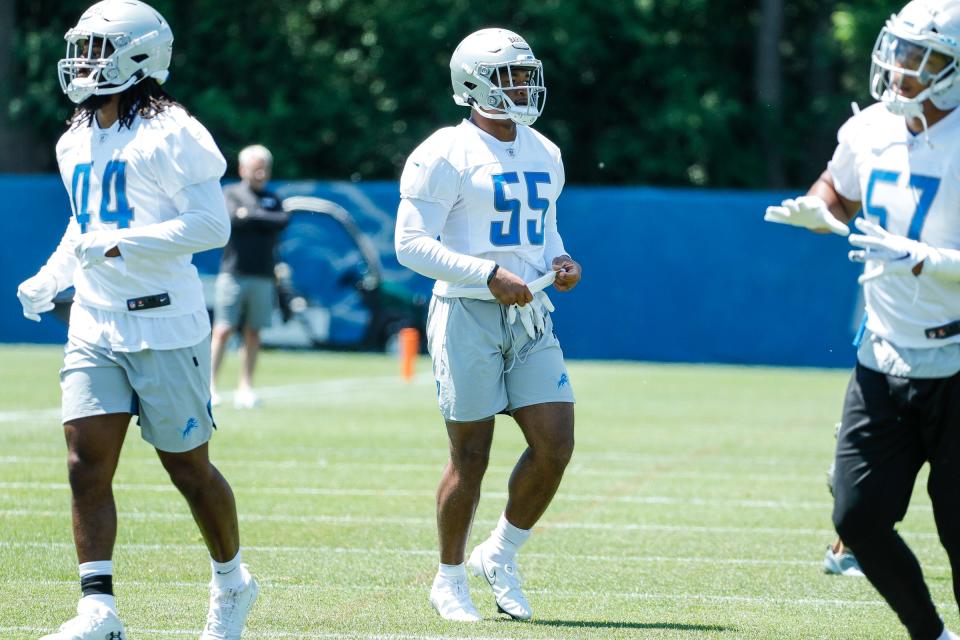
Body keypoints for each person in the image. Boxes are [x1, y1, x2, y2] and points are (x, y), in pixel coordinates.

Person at [15, 2, 258, 638]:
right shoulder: (76, 136)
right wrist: (52, 275)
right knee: (83, 463)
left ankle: (232, 581)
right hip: (95, 321)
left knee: (188, 469)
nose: (83, 63)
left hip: (165, 322)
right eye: (83, 50)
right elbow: (83, 226)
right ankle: (99, 609)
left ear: (140, 56)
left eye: (98, 50)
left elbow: (210, 226)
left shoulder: (174, 131)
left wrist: (123, 243)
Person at [765, 1, 960, 637]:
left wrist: (924, 258)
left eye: (920, 56)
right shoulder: (871, 127)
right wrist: (818, 210)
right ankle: (930, 635)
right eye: (898, 50)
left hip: (958, 357)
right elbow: (837, 187)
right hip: (884, 352)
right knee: (857, 518)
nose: (901, 68)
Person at [395, 28, 582, 622]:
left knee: (555, 445)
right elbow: (409, 245)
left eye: (527, 74)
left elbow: (543, 230)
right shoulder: (443, 151)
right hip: (464, 314)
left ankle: (500, 552)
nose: (524, 85)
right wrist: (485, 273)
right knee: (470, 455)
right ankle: (449, 578)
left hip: (530, 314)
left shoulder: (544, 150)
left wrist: (558, 259)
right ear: (473, 83)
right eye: (511, 76)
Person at [210, 144, 289, 409]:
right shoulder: (230, 192)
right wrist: (259, 218)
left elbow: (282, 220)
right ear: (243, 168)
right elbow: (233, 218)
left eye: (264, 167)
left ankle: (246, 387)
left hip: (264, 275)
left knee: (253, 332)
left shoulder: (272, 197)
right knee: (222, 330)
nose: (261, 172)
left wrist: (252, 216)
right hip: (233, 273)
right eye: (256, 167)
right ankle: (210, 386)